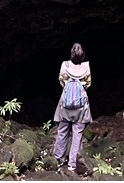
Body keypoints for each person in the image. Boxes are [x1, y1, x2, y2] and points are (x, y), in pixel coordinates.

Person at [52, 43, 92, 172]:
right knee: (77, 134)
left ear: (71, 54)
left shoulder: (65, 65)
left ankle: (58, 159)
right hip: (81, 107)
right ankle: (72, 164)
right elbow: (88, 84)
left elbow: (61, 81)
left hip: (65, 105)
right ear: (83, 56)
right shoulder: (86, 67)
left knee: (62, 130)